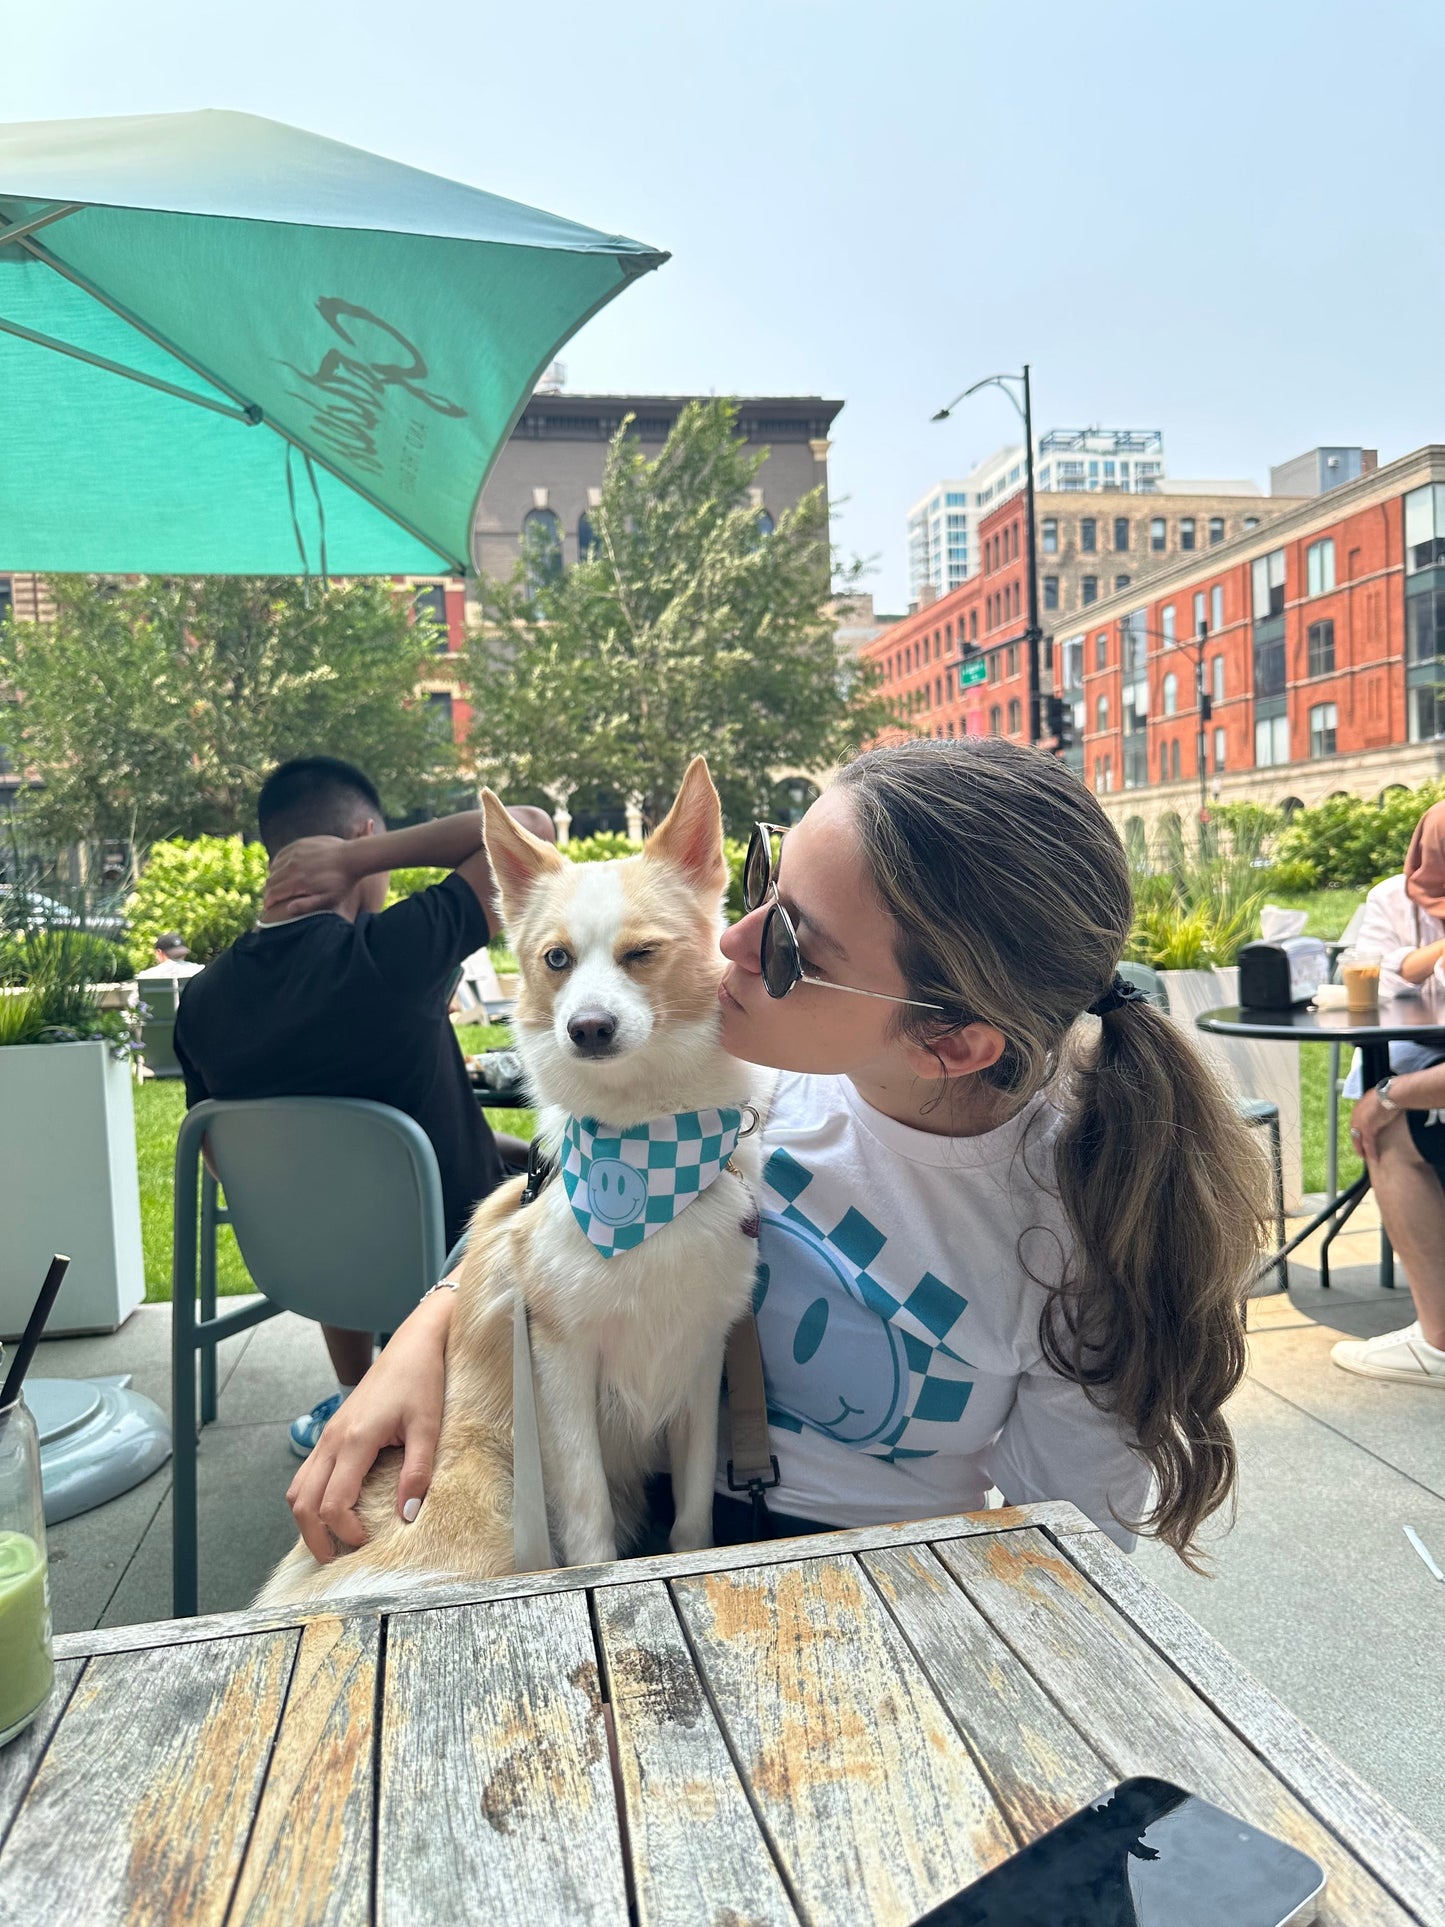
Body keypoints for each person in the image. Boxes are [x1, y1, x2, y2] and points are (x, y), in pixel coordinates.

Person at [283, 738, 1268, 1569]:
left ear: (950, 1042)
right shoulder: (739, 1077)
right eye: (760, 890)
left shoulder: (1076, 1230)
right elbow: (559, 1198)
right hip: (648, 1536)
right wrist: (426, 1328)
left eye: (796, 946)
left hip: (866, 1583)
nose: (730, 943)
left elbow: (1064, 1560)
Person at [173, 755, 554, 1456]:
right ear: (358, 836)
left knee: (330, 1194)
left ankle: (358, 1392)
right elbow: (528, 830)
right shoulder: (392, 955)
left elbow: (225, 1160)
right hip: (455, 1264)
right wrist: (363, 855)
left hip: (307, 1269)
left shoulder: (198, 1003)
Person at [1333, 801, 1445, 1387]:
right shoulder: (1391, 898)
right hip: (1414, 1047)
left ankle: (1439, 1341)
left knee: (1389, 1123)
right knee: (1385, 1110)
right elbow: (1379, 967)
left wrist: (1391, 1096)